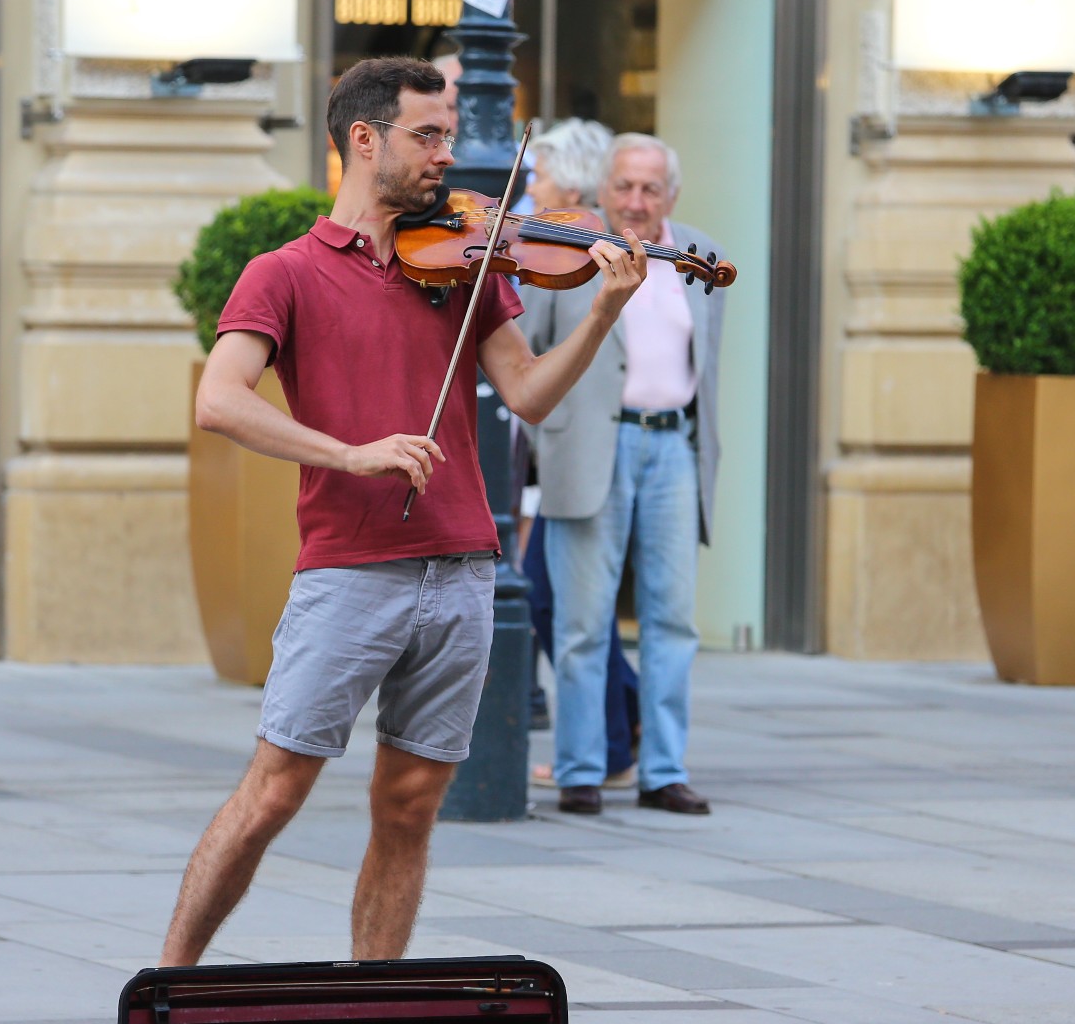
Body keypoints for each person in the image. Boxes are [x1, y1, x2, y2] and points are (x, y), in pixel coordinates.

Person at [151, 58, 647, 973]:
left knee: (410, 804)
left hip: (460, 566)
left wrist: (603, 312)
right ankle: (162, 989)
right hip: (349, 568)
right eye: (428, 135)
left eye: (449, 135)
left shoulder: (463, 261)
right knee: (273, 792)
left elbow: (529, 394)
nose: (446, 155)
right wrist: (350, 452)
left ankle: (368, 1004)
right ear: (364, 140)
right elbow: (219, 400)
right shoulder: (284, 273)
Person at [519, 133, 725, 817]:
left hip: (672, 447)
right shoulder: (570, 250)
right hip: (589, 450)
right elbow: (527, 357)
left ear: (671, 195)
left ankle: (663, 769)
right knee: (582, 621)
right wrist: (542, 444)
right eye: (624, 187)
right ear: (603, 190)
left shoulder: (698, 254)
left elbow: (708, 367)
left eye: (650, 188)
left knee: (672, 620)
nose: (636, 202)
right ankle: (581, 769)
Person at [515, 118, 640, 797]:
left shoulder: (570, 245)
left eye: (538, 175)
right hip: (570, 447)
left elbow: (525, 335)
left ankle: (608, 740)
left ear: (568, 181)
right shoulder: (558, 241)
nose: (530, 188)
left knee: (559, 604)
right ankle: (617, 733)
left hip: (583, 447)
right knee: (572, 607)